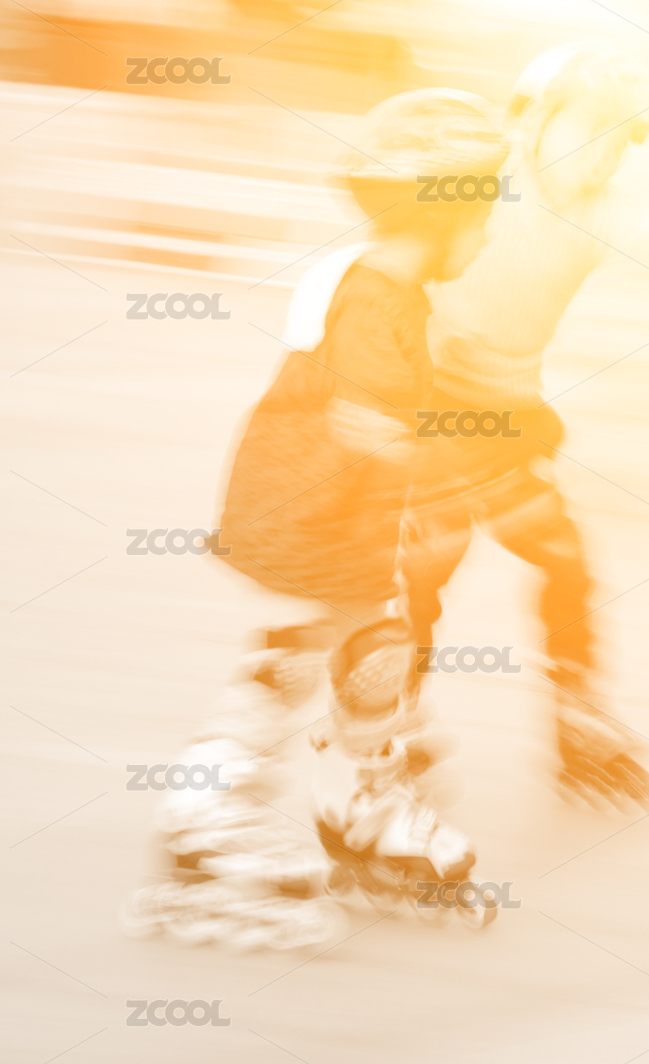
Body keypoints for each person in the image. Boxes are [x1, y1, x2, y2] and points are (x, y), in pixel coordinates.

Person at [121, 88, 509, 945]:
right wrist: (454, 476)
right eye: (485, 214)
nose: (489, 236)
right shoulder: (375, 297)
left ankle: (357, 808)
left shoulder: (391, 289)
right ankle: (204, 822)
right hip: (307, 508)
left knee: (375, 648)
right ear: (445, 210)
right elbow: (369, 425)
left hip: (340, 510)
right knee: (299, 654)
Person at [404, 42, 649, 810]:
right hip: (428, 410)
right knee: (426, 568)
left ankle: (577, 717)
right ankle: (391, 713)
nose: (603, 152)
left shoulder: (599, 212)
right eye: (589, 128)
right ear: (534, 121)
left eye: (620, 138)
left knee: (564, 563)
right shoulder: (481, 184)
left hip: (507, 424)